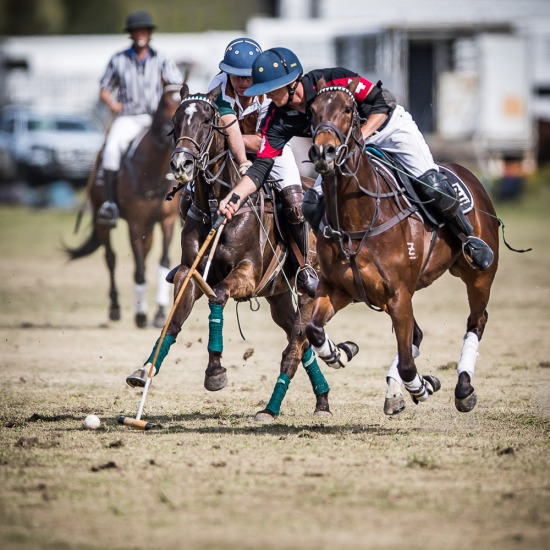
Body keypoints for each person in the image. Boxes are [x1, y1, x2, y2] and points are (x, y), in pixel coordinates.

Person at [218, 47, 494, 272]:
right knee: (312, 204)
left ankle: (468, 238)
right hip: (339, 149)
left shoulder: (333, 80)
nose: (265, 96)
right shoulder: (277, 118)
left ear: (291, 83)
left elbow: (382, 102)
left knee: (431, 183)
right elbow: (262, 167)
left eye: (271, 90)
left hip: (387, 129)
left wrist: (359, 137)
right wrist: (234, 198)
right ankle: (327, 260)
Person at [196, 38, 317, 296]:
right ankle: (193, 258)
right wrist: (240, 160)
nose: (242, 83)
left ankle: (304, 267)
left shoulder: (267, 91)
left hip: (271, 148)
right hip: (231, 150)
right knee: (193, 192)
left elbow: (264, 140)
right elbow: (228, 126)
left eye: (247, 77)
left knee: (295, 203)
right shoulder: (218, 87)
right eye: (236, 76)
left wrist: (233, 141)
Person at [97, 10, 183, 226]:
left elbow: (178, 87)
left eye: (144, 30)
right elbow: (104, 88)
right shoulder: (118, 60)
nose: (140, 33)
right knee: (111, 149)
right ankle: (110, 203)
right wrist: (112, 104)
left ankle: (186, 201)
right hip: (129, 117)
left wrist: (169, 91)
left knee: (181, 149)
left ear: (149, 33)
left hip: (156, 119)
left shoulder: (162, 60)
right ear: (132, 34)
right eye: (137, 30)